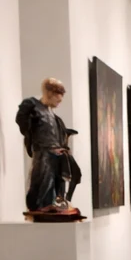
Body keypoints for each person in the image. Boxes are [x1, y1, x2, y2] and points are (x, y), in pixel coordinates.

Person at [16, 77, 82, 214]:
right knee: (43, 179)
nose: (60, 101)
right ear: (49, 93)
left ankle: (56, 203)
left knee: (62, 179)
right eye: (58, 97)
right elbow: (22, 121)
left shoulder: (53, 115)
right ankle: (40, 205)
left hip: (56, 152)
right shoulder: (33, 105)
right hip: (43, 151)